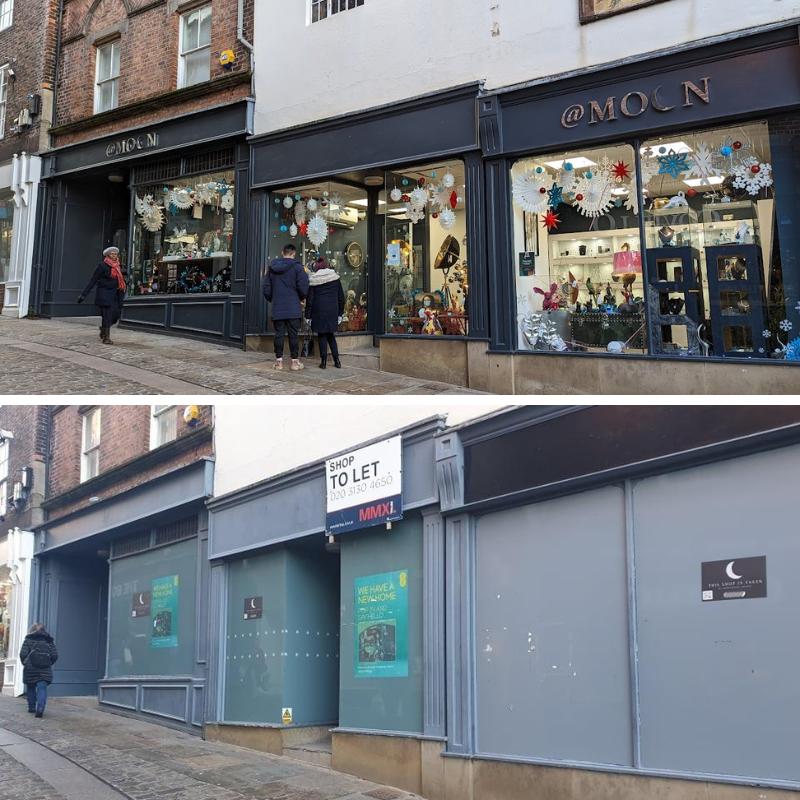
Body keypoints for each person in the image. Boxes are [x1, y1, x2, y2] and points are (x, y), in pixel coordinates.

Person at [262, 244, 309, 371]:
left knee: (279, 334)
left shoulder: (272, 267)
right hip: (293, 307)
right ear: (293, 254)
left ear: (282, 252)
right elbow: (304, 287)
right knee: (293, 335)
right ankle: (294, 363)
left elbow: (266, 288)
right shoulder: (298, 268)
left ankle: (279, 363)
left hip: (278, 306)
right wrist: (300, 297)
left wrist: (273, 298)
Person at [77, 246, 127, 344]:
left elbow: (119, 279)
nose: (114, 256)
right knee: (107, 315)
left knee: (116, 315)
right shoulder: (102, 266)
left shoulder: (118, 266)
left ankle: (103, 329)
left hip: (116, 295)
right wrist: (83, 295)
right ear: (108, 255)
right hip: (105, 294)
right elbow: (93, 280)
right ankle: (106, 338)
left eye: (115, 254)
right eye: (112, 254)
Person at [305, 257, 345, 369]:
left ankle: (323, 362)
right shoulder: (335, 278)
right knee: (331, 335)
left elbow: (310, 300)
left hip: (319, 311)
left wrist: (308, 316)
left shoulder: (314, 279)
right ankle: (337, 361)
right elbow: (341, 297)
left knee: (322, 335)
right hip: (333, 310)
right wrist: (340, 313)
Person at [19, 623, 58, 718]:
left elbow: (23, 654)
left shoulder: (28, 639)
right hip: (45, 669)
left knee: (31, 687)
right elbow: (55, 655)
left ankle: (32, 707)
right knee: (42, 688)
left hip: (30, 668)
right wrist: (49, 663)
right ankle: (40, 709)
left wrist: (25, 662)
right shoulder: (49, 641)